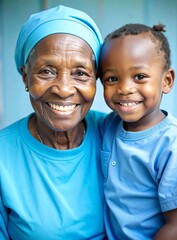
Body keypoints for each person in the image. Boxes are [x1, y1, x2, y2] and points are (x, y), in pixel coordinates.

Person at [0, 5, 107, 239]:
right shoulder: (2, 156)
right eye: (47, 71)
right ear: (25, 76)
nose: (64, 89)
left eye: (80, 73)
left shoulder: (116, 135)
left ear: (95, 79)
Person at [99, 23, 177, 239]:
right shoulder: (109, 125)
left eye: (139, 76)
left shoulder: (172, 144)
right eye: (112, 78)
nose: (125, 88)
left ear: (166, 81)